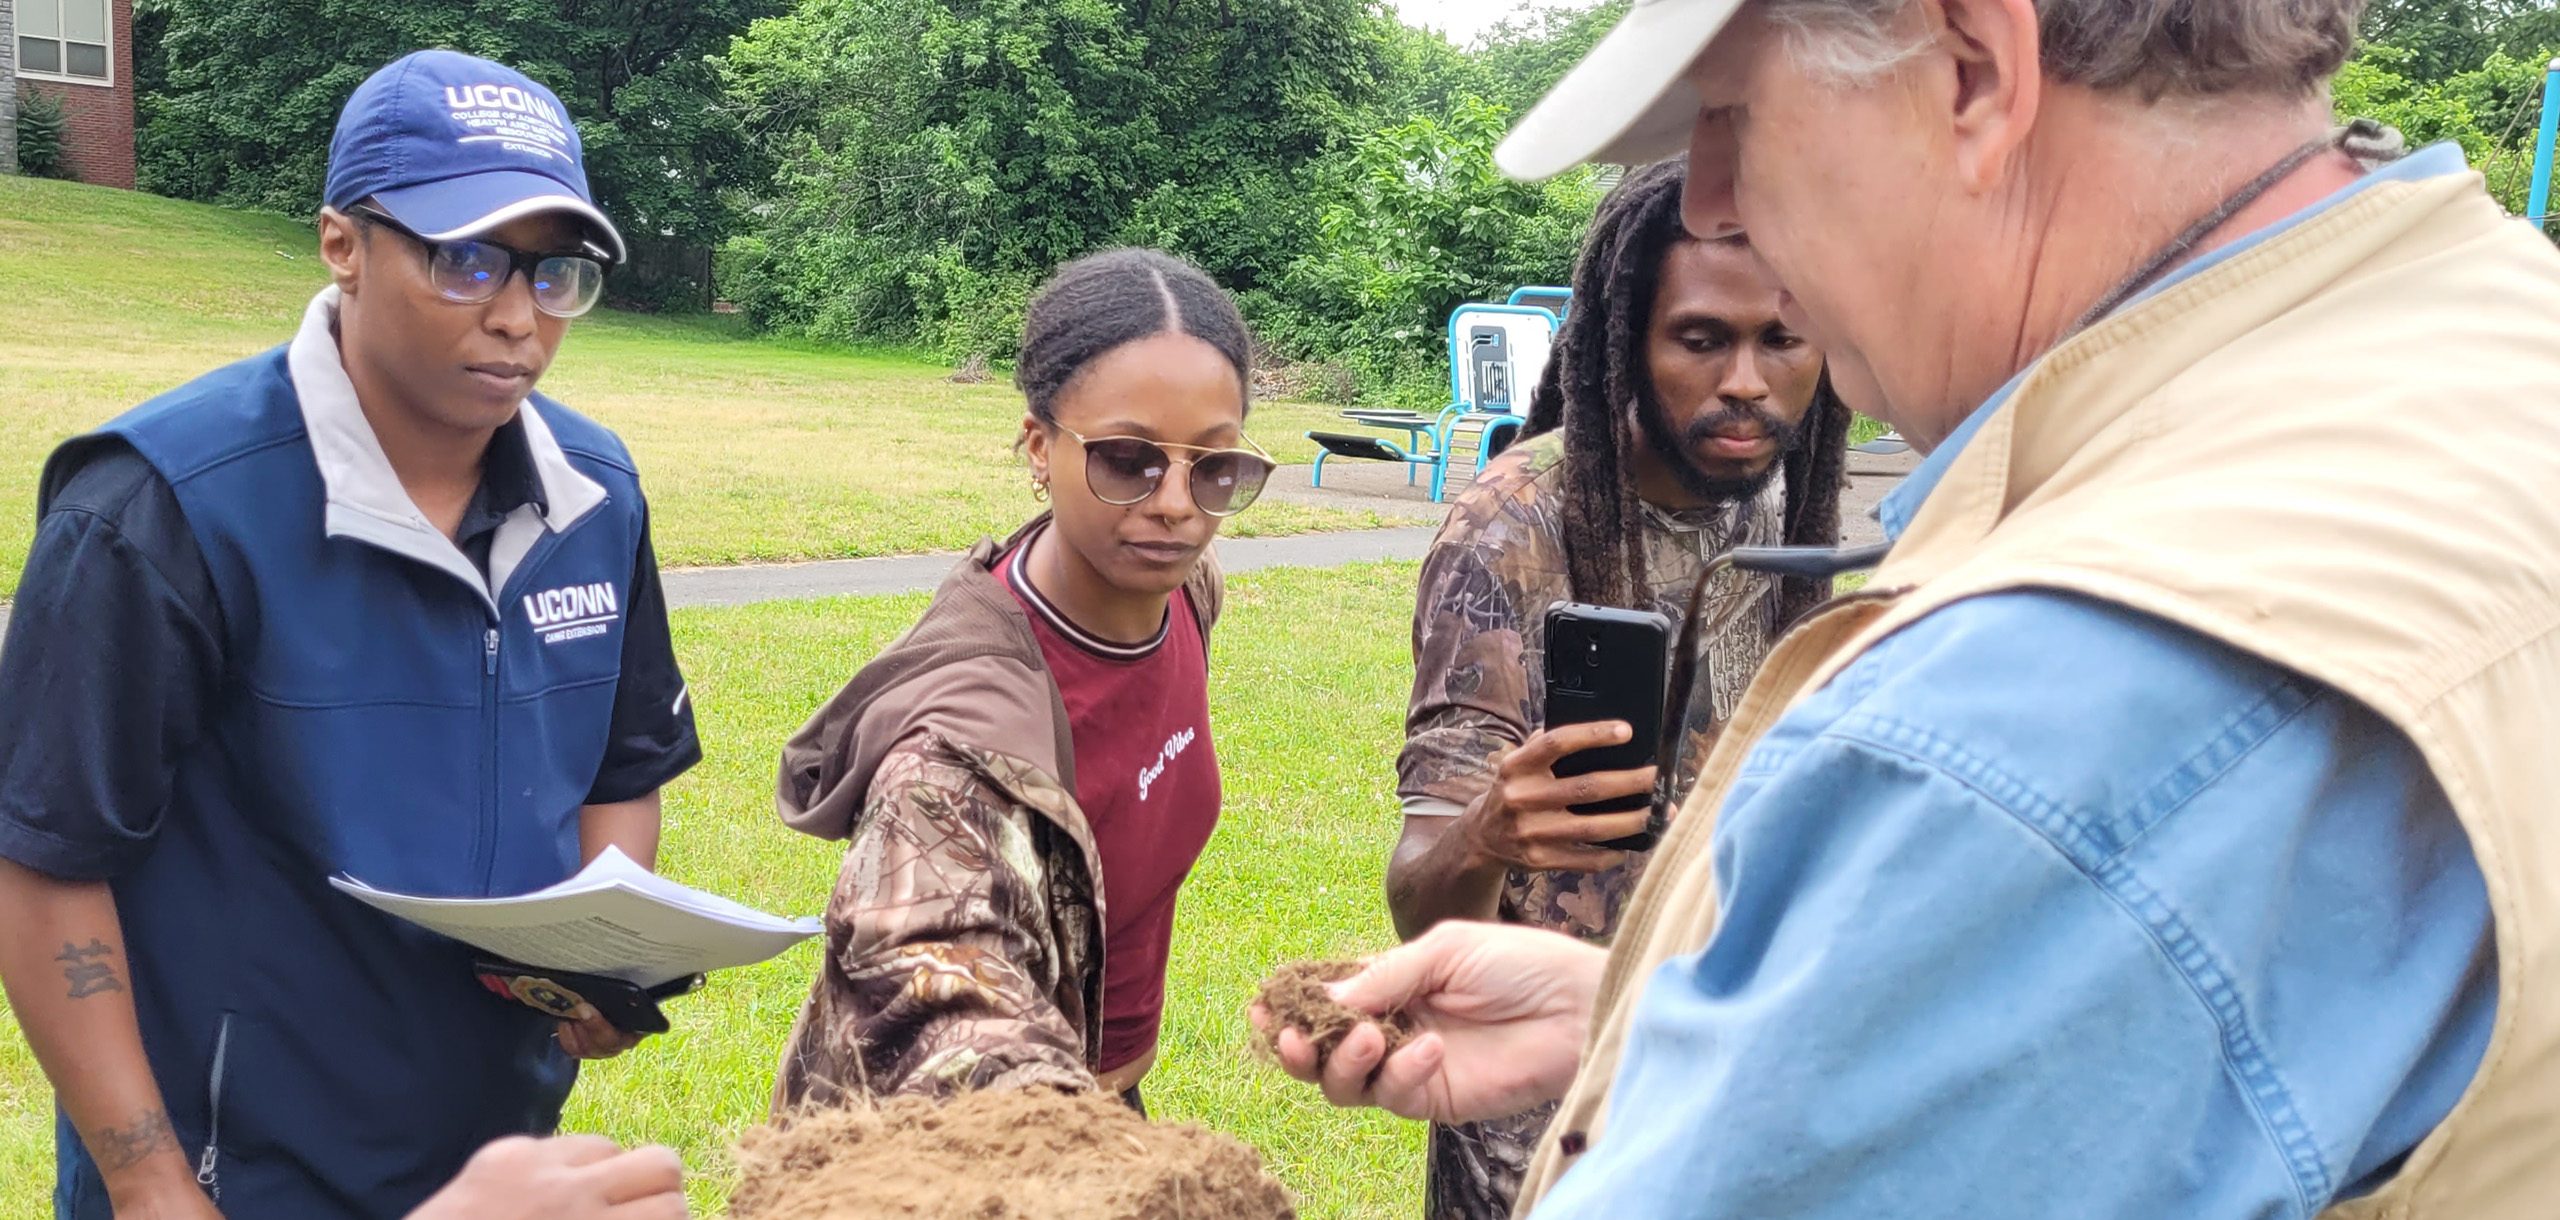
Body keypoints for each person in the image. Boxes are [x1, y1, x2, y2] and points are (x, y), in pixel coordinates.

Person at [1264, 1, 2560, 1216]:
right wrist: (1655, 1011)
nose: (1712, 199)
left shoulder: (2029, 714)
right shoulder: (2491, 357)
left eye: (1731, 113)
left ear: (1973, 77)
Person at [0, 50, 699, 1218]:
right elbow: (43, 859)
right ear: (342, 243)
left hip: (496, 1158)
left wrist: (600, 951)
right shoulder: (160, 507)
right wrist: (147, 1176)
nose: (518, 318)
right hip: (237, 1169)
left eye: (555, 273)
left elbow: (620, 770)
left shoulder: (595, 494)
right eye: (465, 259)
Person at [1384, 157, 1848, 1219]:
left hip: (1728, 1055)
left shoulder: (1790, 505)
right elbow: (1420, 903)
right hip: (1540, 1113)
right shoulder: (1510, 531)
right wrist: (1487, 833)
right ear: (1624, 342)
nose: (1745, 379)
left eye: (1781, 339)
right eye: (1699, 338)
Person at [771, 248, 1276, 1112]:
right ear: (1039, 446)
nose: (1177, 504)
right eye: (1129, 460)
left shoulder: (1185, 592)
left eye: (1216, 467)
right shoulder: (955, 753)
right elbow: (935, 970)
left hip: (1101, 1094)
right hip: (979, 1137)